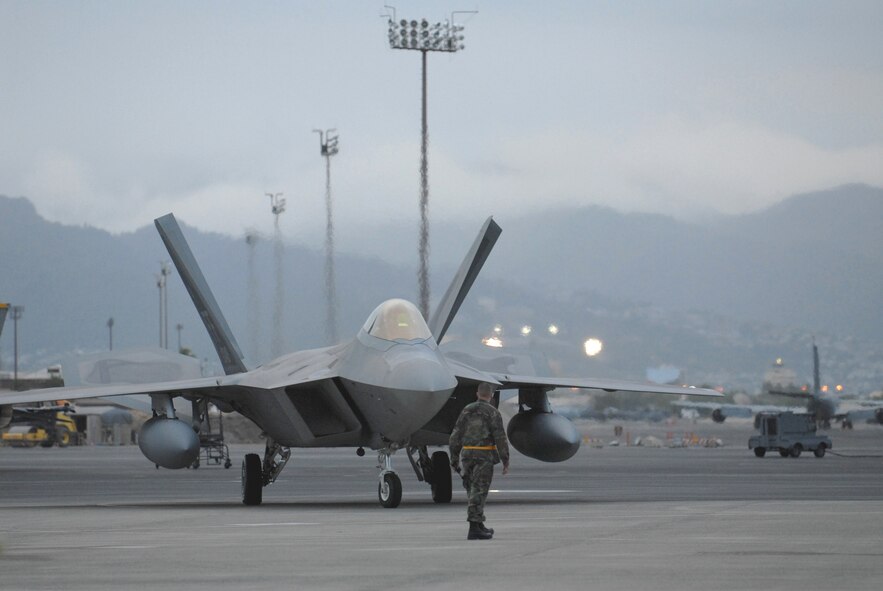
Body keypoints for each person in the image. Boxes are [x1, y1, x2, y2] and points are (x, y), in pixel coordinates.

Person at [449, 382, 510, 540]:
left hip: (467, 454)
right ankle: (474, 528)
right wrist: (505, 460)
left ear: (477, 393)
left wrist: (454, 458)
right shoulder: (493, 413)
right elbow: (500, 438)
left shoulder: (466, 410)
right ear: (490, 396)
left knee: (471, 489)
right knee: (479, 490)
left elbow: (455, 436)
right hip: (484, 456)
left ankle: (478, 523)